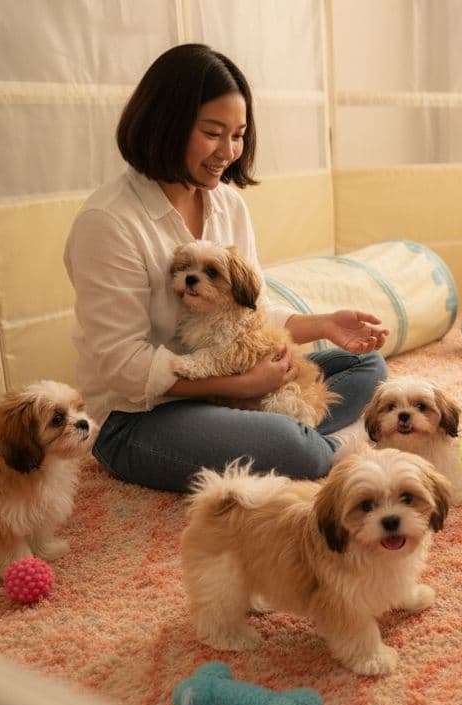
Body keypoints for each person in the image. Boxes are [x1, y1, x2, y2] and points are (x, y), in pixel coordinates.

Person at [64, 43, 388, 493]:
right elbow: (124, 367)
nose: (229, 150)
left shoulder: (227, 203)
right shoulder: (109, 223)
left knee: (366, 363)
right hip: (140, 416)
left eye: (237, 134)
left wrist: (324, 326)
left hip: (239, 384)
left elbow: (248, 314)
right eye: (213, 132)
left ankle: (299, 437)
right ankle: (324, 447)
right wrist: (241, 385)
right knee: (294, 450)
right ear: (166, 124)